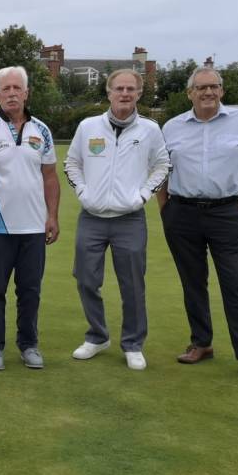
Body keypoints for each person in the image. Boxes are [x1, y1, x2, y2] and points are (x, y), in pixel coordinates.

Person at [157, 67, 238, 384]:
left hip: (227, 214)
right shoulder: (172, 127)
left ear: (222, 90)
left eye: (214, 86)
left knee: (235, 283)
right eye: (201, 87)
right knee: (192, 281)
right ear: (190, 93)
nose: (208, 92)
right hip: (182, 213)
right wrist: (165, 209)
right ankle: (201, 343)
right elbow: (161, 170)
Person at [64, 68, 169, 370]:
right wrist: (83, 191)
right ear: (108, 92)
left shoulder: (150, 129)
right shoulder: (88, 126)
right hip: (92, 216)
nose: (124, 94)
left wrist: (143, 195)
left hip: (129, 218)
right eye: (119, 89)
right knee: (86, 279)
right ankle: (97, 336)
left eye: (130, 89)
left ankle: (133, 344)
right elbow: (72, 163)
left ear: (139, 93)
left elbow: (162, 165)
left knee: (132, 284)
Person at [0, 66, 59, 371]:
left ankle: (29, 344)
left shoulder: (41, 131)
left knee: (30, 290)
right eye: (5, 89)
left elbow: (50, 177)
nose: (11, 94)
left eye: (16, 88)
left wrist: (52, 216)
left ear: (26, 93)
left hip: (33, 227)